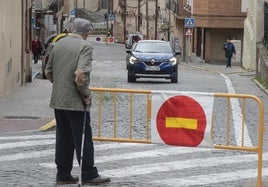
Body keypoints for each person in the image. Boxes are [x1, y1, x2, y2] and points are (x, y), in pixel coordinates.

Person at [45, 18, 111, 185]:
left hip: (58, 100)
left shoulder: (58, 44)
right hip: (75, 101)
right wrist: (86, 94)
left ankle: (63, 174)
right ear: (86, 33)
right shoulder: (85, 46)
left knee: (63, 137)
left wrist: (60, 85)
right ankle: (89, 174)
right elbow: (81, 75)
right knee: (83, 138)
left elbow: (48, 71)